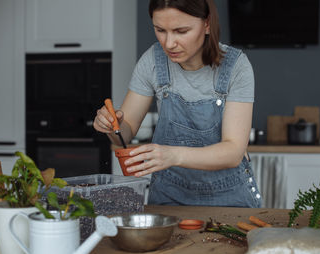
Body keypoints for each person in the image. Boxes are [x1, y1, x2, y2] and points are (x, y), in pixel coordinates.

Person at [93, 0, 261, 208]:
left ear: (207, 24)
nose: (169, 43)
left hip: (230, 197)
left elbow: (233, 152)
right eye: (160, 30)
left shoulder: (236, 66)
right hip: (168, 196)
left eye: (181, 31)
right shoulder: (152, 61)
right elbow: (123, 136)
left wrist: (173, 155)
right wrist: (111, 126)